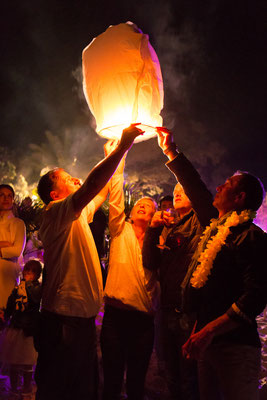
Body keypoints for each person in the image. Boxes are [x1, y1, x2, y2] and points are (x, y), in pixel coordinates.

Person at [154, 128, 267, 400]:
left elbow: (255, 297)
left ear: (239, 198)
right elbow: (196, 188)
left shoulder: (253, 237)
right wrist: (171, 152)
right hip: (207, 346)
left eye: (226, 184)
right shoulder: (215, 230)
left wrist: (208, 332)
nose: (218, 187)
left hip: (236, 350)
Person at [34, 125, 143, 400]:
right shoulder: (55, 213)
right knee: (59, 389)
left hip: (82, 322)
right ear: (55, 194)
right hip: (63, 322)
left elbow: (101, 191)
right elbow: (93, 184)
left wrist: (116, 156)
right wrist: (121, 148)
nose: (77, 181)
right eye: (69, 180)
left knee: (83, 390)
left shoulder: (77, 215)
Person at [142, 129, 217, 400]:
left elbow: (197, 189)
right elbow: (150, 262)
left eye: (181, 189)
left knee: (189, 379)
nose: (177, 193)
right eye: (173, 190)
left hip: (190, 316)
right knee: (169, 376)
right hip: (166, 313)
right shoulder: (168, 228)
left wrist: (173, 154)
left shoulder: (203, 223)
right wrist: (152, 230)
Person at [100, 140, 159, 400]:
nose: (141, 206)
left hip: (143, 322)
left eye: (148, 206)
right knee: (111, 380)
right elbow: (116, 192)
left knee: (137, 382)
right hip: (114, 317)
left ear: (155, 216)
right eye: (138, 204)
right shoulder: (119, 230)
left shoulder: (158, 241)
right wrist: (118, 156)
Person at [0, 259, 42, 400]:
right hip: (17, 327)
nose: (28, 273)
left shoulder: (36, 288)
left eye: (32, 271)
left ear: (37, 275)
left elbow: (35, 299)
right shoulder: (18, 288)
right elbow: (11, 304)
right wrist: (6, 315)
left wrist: (27, 285)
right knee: (13, 360)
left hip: (29, 330)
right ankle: (13, 388)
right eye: (27, 270)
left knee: (27, 363)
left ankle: (26, 388)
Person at [0, 184, 26, 311]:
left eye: (9, 196)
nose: (6, 198)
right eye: (2, 195)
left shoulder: (18, 223)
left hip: (8, 274)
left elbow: (16, 251)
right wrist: (4, 245)